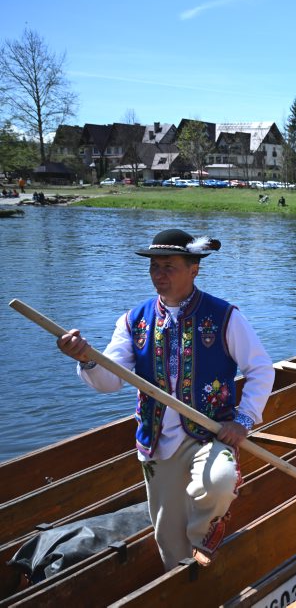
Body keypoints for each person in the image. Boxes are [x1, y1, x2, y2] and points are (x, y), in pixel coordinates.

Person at [55, 229, 275, 569]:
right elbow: (110, 380)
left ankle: (206, 535)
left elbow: (260, 369)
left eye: (169, 266)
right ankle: (183, 587)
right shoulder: (134, 320)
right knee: (169, 542)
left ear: (194, 269)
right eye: (154, 267)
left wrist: (243, 419)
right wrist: (86, 359)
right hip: (157, 440)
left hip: (209, 433)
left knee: (219, 482)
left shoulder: (224, 316)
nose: (159, 275)